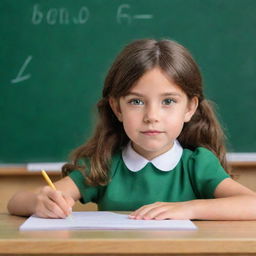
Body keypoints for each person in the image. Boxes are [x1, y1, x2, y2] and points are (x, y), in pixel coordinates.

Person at [7, 39, 256, 220]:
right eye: (136, 102)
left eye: (168, 101)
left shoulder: (197, 164)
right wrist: (39, 201)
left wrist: (188, 208)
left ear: (190, 108)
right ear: (117, 108)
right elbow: (15, 203)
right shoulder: (103, 163)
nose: (152, 117)